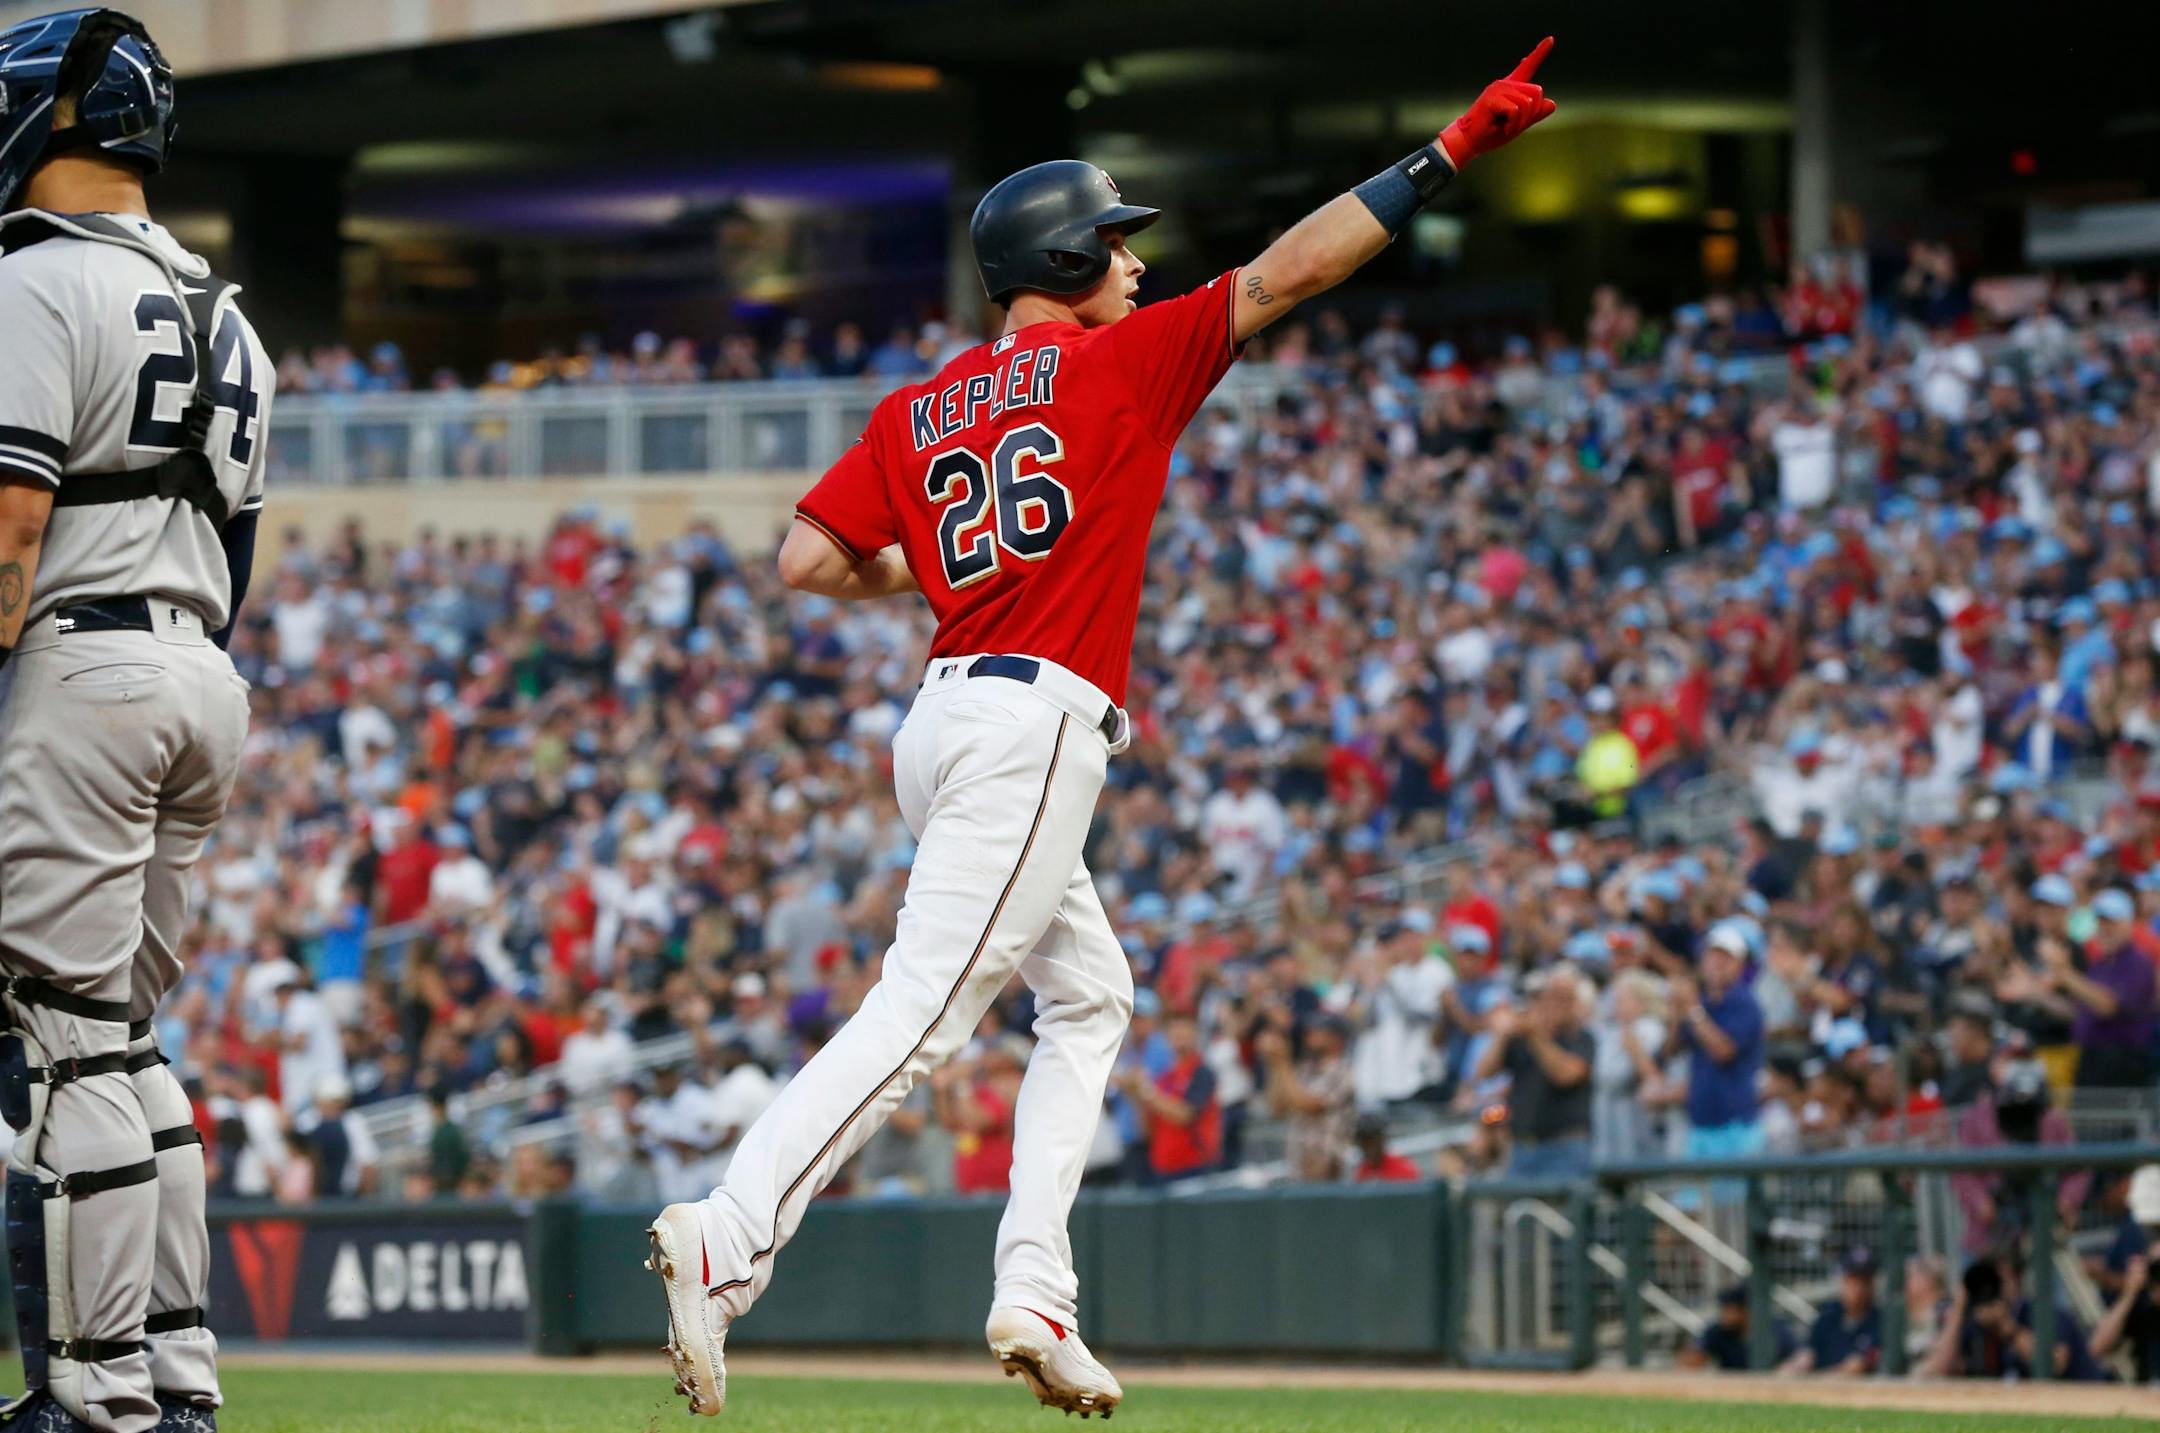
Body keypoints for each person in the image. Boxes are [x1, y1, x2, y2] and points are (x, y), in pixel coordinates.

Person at [644, 37, 1560, 1420]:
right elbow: (1287, 274)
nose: (1137, 260)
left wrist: (949, 571)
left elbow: (808, 563)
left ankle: (1035, 1288)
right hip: (1032, 725)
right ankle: (730, 1229)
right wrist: (1444, 156)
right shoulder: (1119, 366)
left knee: (1094, 994)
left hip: (947, 721)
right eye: (1117, 241)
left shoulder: (922, 403)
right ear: (1067, 261)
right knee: (926, 1008)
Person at [0, 12, 273, 1430]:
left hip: (82, 661)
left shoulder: (36, 282)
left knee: (62, 1039)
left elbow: (12, 518)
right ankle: (175, 1378)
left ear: (55, 121)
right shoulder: (231, 312)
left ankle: (94, 1394)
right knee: (126, 1038)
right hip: (198, 671)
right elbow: (239, 557)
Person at [1479, 969, 1593, 1178]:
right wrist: (1504, 1035)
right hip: (1522, 1147)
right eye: (1549, 997)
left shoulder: (1581, 1038)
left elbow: (1566, 1076)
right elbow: (1483, 1072)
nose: (1554, 1005)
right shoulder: (1523, 1039)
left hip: (1565, 1148)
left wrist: (1535, 1034)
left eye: (1565, 999)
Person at [1922, 1253, 2107, 1382]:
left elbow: (2055, 1363)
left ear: (2014, 1279)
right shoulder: (1977, 1320)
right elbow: (1937, 1370)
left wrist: (2009, 1329)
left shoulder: (2043, 1313)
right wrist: (1959, 1308)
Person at [1116, 1011, 1220, 1184]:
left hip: (1195, 1167)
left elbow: (1185, 1115)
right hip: (1162, 1168)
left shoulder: (1202, 1072)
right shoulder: (1163, 1078)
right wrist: (1135, 1096)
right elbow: (1146, 1130)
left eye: (1185, 1028)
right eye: (1174, 1029)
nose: (1179, 1033)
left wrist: (1145, 1091)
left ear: (1195, 1034)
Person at [1779, 1246, 1884, 1376]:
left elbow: (1854, 1368)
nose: (1858, 1288)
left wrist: (1814, 1382)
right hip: (1819, 1386)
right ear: (1842, 1281)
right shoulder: (1829, 1314)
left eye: (1864, 1281)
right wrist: (1787, 1371)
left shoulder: (1881, 1322)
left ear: (1872, 1284)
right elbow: (1807, 1356)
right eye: (1853, 1280)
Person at [1681, 1283, 1796, 1371]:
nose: (1724, 1314)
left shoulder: (1778, 1330)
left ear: (1746, 1310)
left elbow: (1797, 1362)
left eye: (1729, 1309)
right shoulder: (1718, 1331)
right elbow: (1689, 1362)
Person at [1350, 1114, 1422, 1183]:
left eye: (1374, 1142)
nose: (1370, 1149)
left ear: (1382, 1140)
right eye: (1365, 1143)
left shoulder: (1404, 1168)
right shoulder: (1360, 1173)